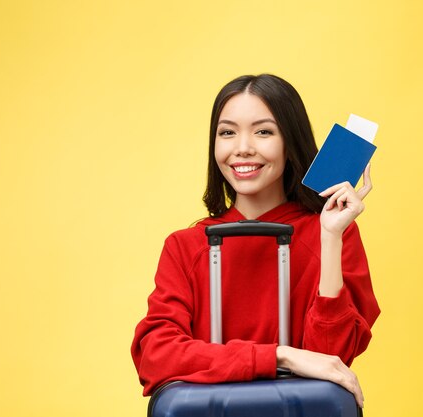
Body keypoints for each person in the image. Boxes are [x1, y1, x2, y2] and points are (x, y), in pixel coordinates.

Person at [131, 74, 380, 408]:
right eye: (227, 132)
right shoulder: (185, 246)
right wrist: (280, 357)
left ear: (289, 143)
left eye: (263, 131)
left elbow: (330, 360)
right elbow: (156, 354)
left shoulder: (332, 233)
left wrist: (332, 236)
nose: (242, 148)